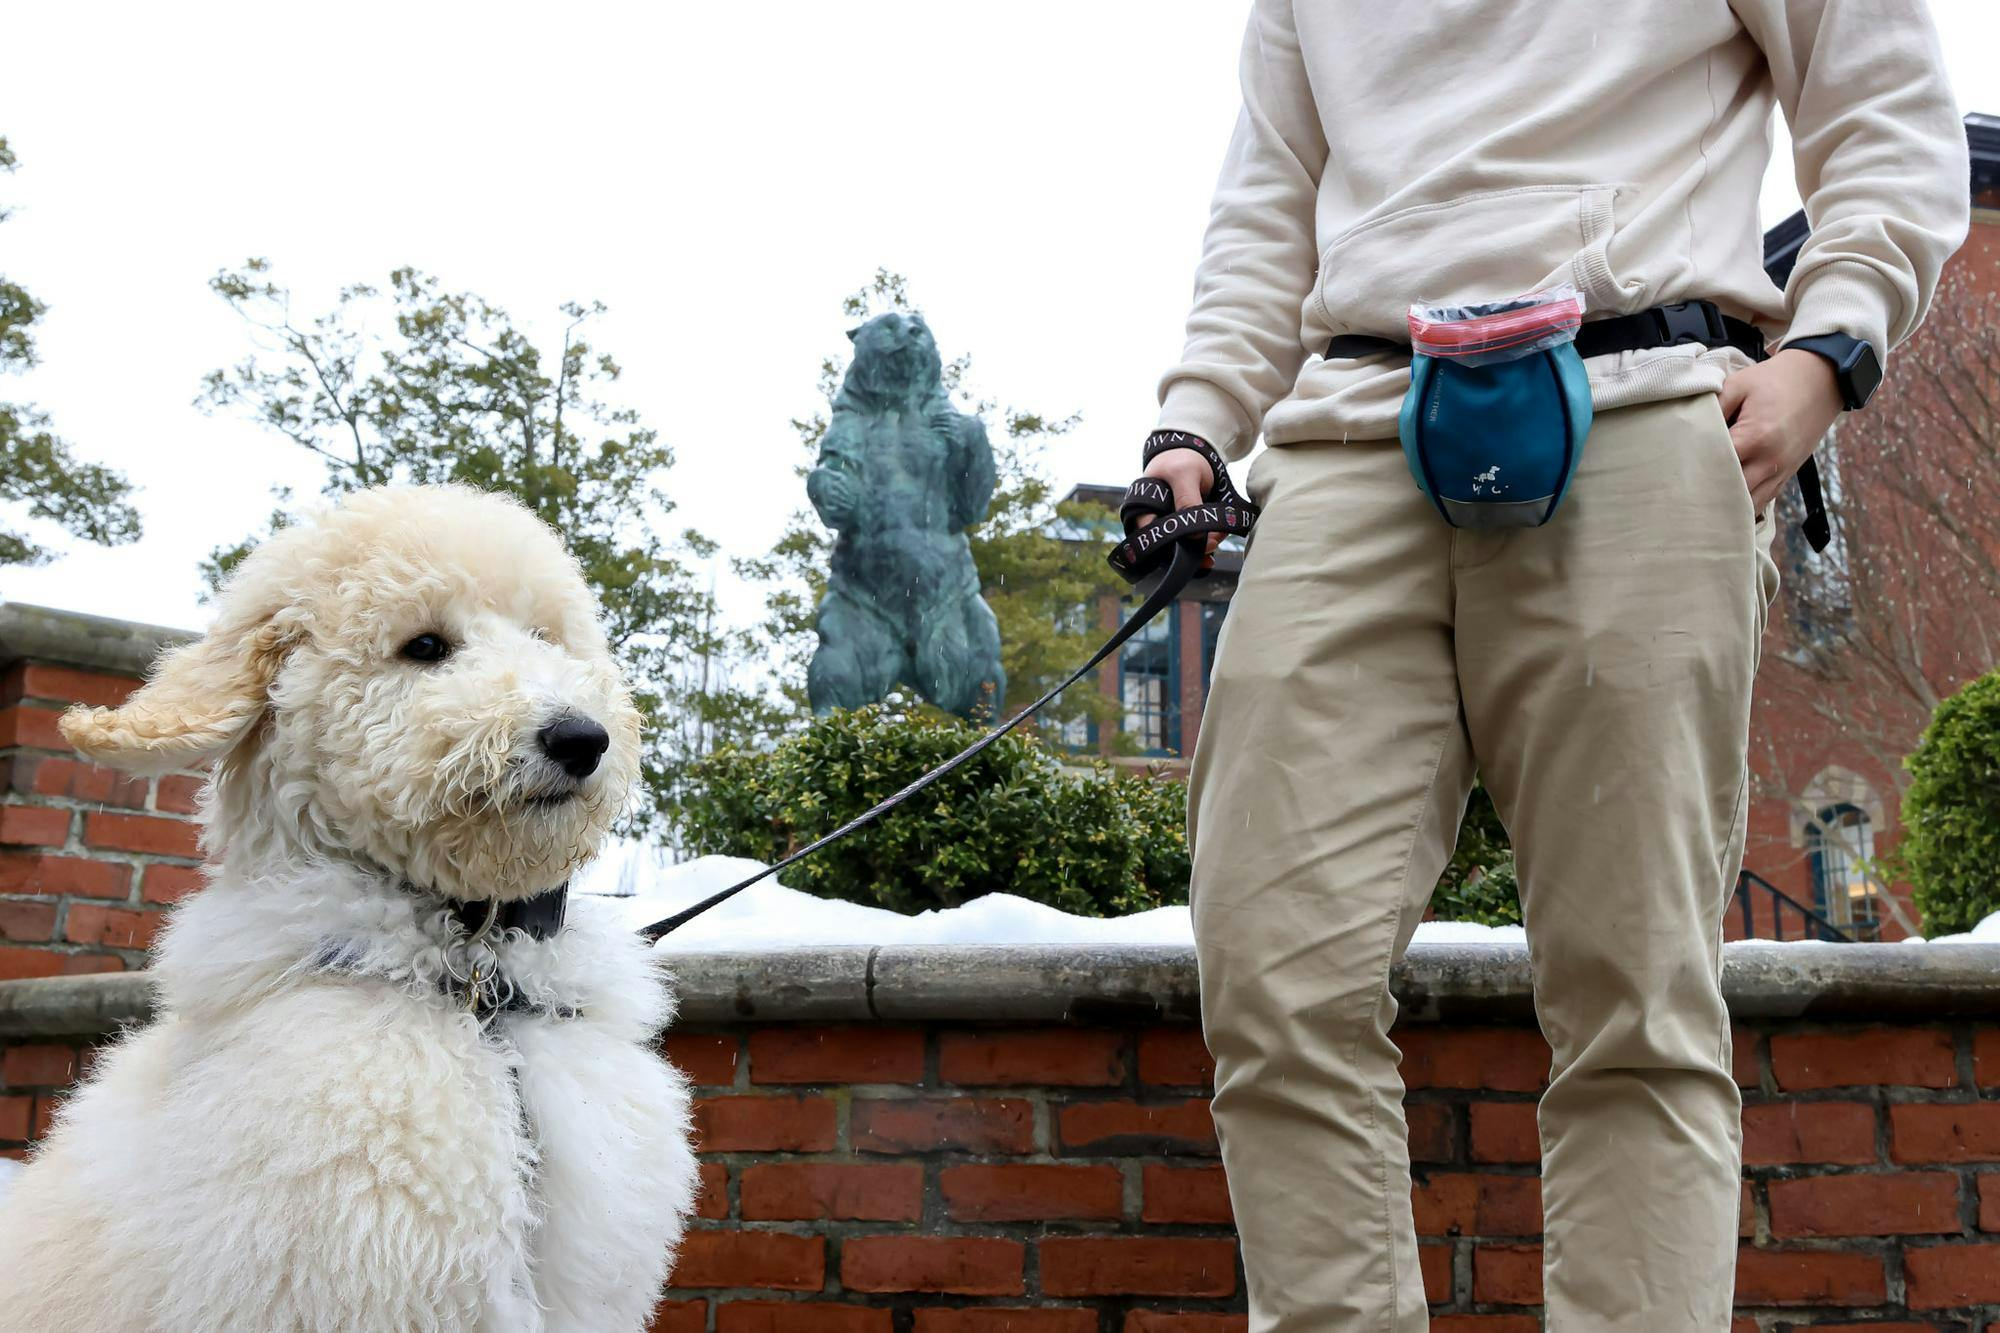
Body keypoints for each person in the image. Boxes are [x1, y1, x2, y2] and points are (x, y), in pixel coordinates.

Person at [1136, 3, 1969, 1329]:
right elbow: (1271, 195)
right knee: (1273, 973)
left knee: (1633, 995)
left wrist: (1828, 350)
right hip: (1353, 430)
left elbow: (1882, 113)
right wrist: (1196, 420)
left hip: (1639, 404)